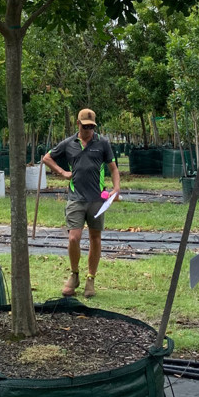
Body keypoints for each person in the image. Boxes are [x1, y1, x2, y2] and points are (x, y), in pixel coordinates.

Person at [41, 108, 120, 298]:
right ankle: (74, 274)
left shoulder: (102, 143)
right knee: (73, 238)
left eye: (92, 127)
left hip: (97, 200)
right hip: (76, 198)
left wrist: (116, 189)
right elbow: (47, 157)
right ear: (78, 124)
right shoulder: (69, 143)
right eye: (85, 127)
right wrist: (62, 173)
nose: (89, 130)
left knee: (95, 238)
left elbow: (113, 169)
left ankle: (90, 278)